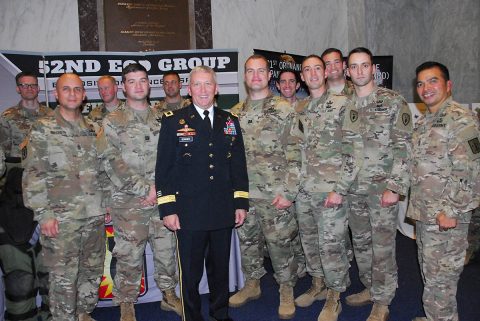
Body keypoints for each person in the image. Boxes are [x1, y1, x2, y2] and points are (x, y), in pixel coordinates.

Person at [155, 65, 249, 321]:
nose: (203, 90)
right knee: (191, 274)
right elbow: (164, 169)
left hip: (221, 209)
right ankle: (192, 317)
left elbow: (238, 165)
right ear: (189, 89)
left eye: (208, 84)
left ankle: (220, 314)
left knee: (220, 271)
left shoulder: (230, 121)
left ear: (216, 89)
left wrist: (240, 203)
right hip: (189, 213)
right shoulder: (174, 121)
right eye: (198, 84)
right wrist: (168, 209)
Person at [333, 47, 412, 321]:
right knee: (362, 245)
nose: (359, 71)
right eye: (353, 67)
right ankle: (370, 287)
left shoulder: (392, 101)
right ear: (347, 71)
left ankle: (383, 299)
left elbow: (404, 147)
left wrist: (395, 187)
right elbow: (341, 149)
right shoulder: (344, 104)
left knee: (382, 247)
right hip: (354, 191)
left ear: (373, 69)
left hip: (381, 192)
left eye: (364, 65)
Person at [97, 63, 181, 321]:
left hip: (162, 200)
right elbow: (110, 160)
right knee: (129, 255)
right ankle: (126, 303)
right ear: (124, 86)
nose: (138, 85)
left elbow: (174, 157)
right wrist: (145, 188)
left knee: (166, 251)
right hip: (130, 202)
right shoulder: (112, 121)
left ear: (148, 84)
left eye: (142, 80)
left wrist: (162, 190)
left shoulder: (163, 117)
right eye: (132, 81)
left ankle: (169, 294)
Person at [22, 73, 104, 321]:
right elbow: (33, 176)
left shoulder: (94, 129)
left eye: (77, 89)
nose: (72, 94)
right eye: (66, 89)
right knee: (64, 280)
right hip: (61, 220)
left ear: (84, 95)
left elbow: (104, 170)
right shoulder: (42, 129)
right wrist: (44, 215)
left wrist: (107, 202)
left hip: (94, 216)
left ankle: (83, 314)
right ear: (56, 94)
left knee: (91, 272)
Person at [228, 54, 301, 319]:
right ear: (245, 76)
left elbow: (297, 153)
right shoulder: (235, 114)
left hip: (275, 195)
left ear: (269, 76)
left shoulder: (284, 109)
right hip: (245, 196)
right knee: (248, 243)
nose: (256, 76)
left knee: (280, 245)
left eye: (261, 71)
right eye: (250, 71)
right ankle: (252, 284)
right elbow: (228, 158)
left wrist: (289, 192)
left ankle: (286, 289)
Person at [408, 61, 480, 321]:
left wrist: (450, 210)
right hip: (427, 215)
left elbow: (471, 170)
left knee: (441, 283)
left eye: (433, 81)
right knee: (431, 275)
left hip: (446, 217)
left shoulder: (460, 119)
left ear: (448, 85)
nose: (426, 88)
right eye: (420, 83)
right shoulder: (426, 121)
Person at [292, 54, 359, 321]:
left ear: (326, 71)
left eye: (317, 68)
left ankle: (335, 295)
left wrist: (340, 189)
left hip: (331, 191)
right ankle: (318, 284)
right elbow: (294, 150)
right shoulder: (300, 108)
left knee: (332, 246)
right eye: (306, 70)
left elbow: (355, 150)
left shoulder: (344, 104)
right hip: (304, 191)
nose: (312, 73)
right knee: (310, 242)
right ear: (302, 77)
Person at [0, 71, 52, 321]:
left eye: (33, 85)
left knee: (51, 268)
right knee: (19, 273)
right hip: (16, 196)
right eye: (25, 86)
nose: (30, 89)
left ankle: (52, 314)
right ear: (18, 89)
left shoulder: (51, 117)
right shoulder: (7, 118)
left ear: (38, 88)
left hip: (48, 191)